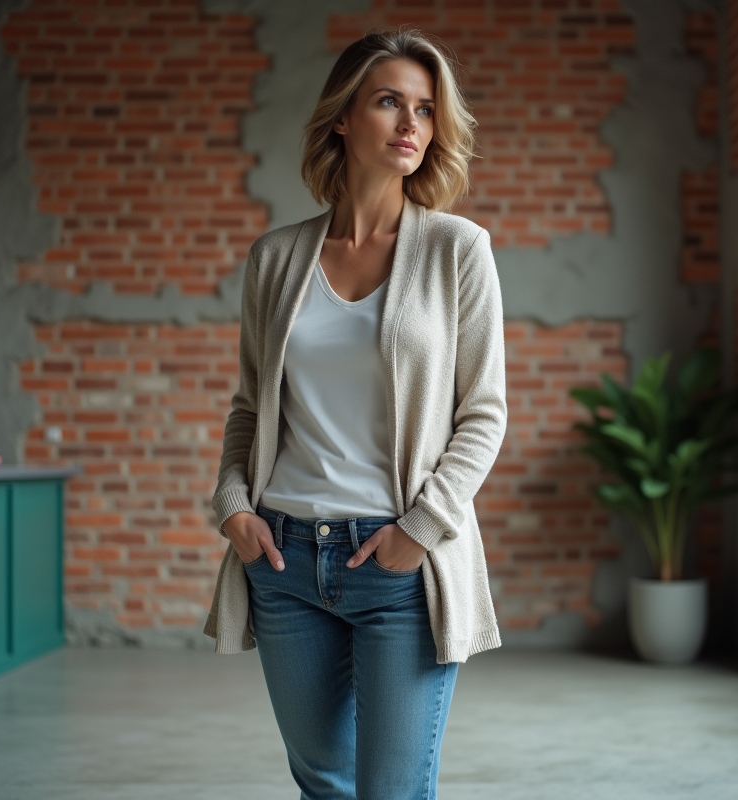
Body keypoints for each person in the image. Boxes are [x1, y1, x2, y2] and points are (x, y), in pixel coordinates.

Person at [204, 26, 508, 800]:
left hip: (399, 565)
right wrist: (235, 507)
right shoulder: (276, 260)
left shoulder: (457, 250)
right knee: (324, 786)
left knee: (392, 792)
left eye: (426, 110)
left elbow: (484, 414)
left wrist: (420, 530)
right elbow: (250, 406)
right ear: (343, 116)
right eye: (389, 102)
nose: (412, 124)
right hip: (285, 562)